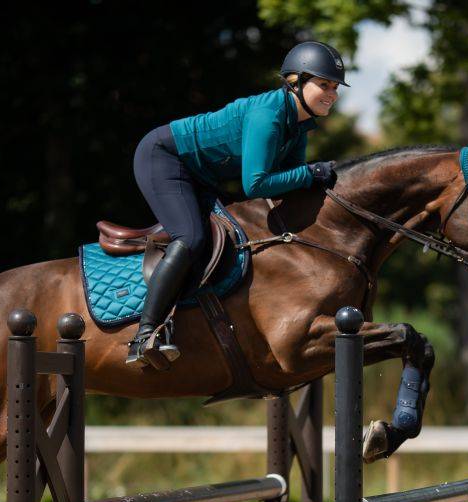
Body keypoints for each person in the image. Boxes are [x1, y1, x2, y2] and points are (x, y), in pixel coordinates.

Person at [127, 41, 348, 367]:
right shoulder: (268, 116)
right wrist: (310, 173)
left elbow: (288, 183)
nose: (332, 93)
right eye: (324, 84)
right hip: (165, 158)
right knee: (192, 238)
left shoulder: (298, 126)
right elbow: (256, 184)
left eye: (335, 87)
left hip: (199, 176)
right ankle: (144, 335)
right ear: (294, 82)